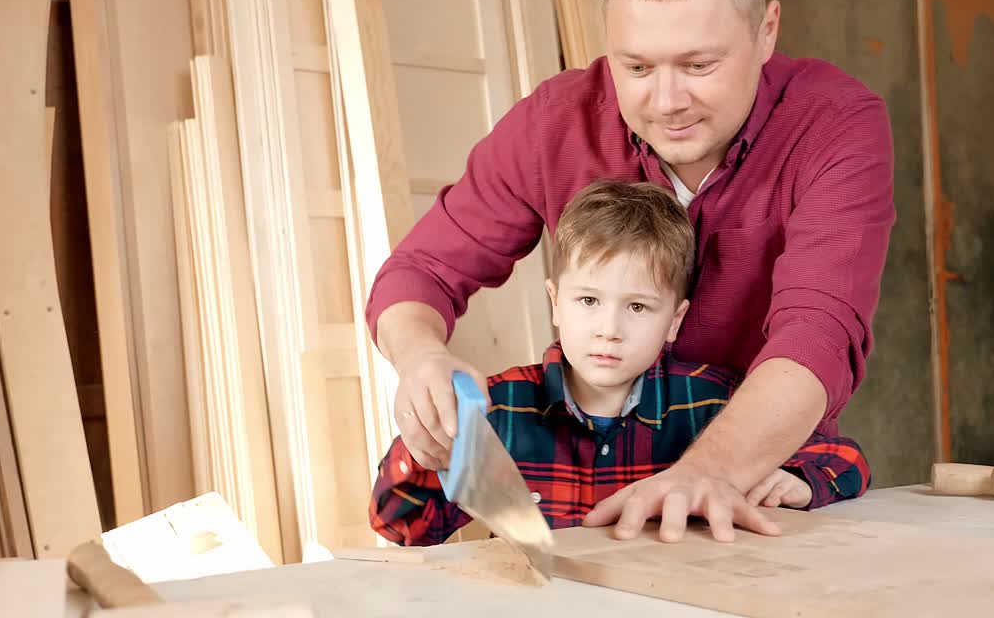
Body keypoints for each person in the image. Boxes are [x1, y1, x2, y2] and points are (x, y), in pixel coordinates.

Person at [365, 0, 894, 543]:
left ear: (766, 30)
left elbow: (818, 334)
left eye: (699, 66)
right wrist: (420, 354)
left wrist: (709, 471)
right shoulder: (554, 123)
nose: (665, 102)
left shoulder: (836, 125)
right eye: (636, 68)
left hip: (755, 488)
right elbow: (421, 271)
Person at [368, 181, 870, 546]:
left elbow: (846, 461)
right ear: (555, 302)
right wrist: (422, 450)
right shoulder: (498, 409)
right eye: (588, 301)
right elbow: (402, 526)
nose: (610, 328)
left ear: (674, 321)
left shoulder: (715, 402)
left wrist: (801, 483)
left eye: (637, 307)